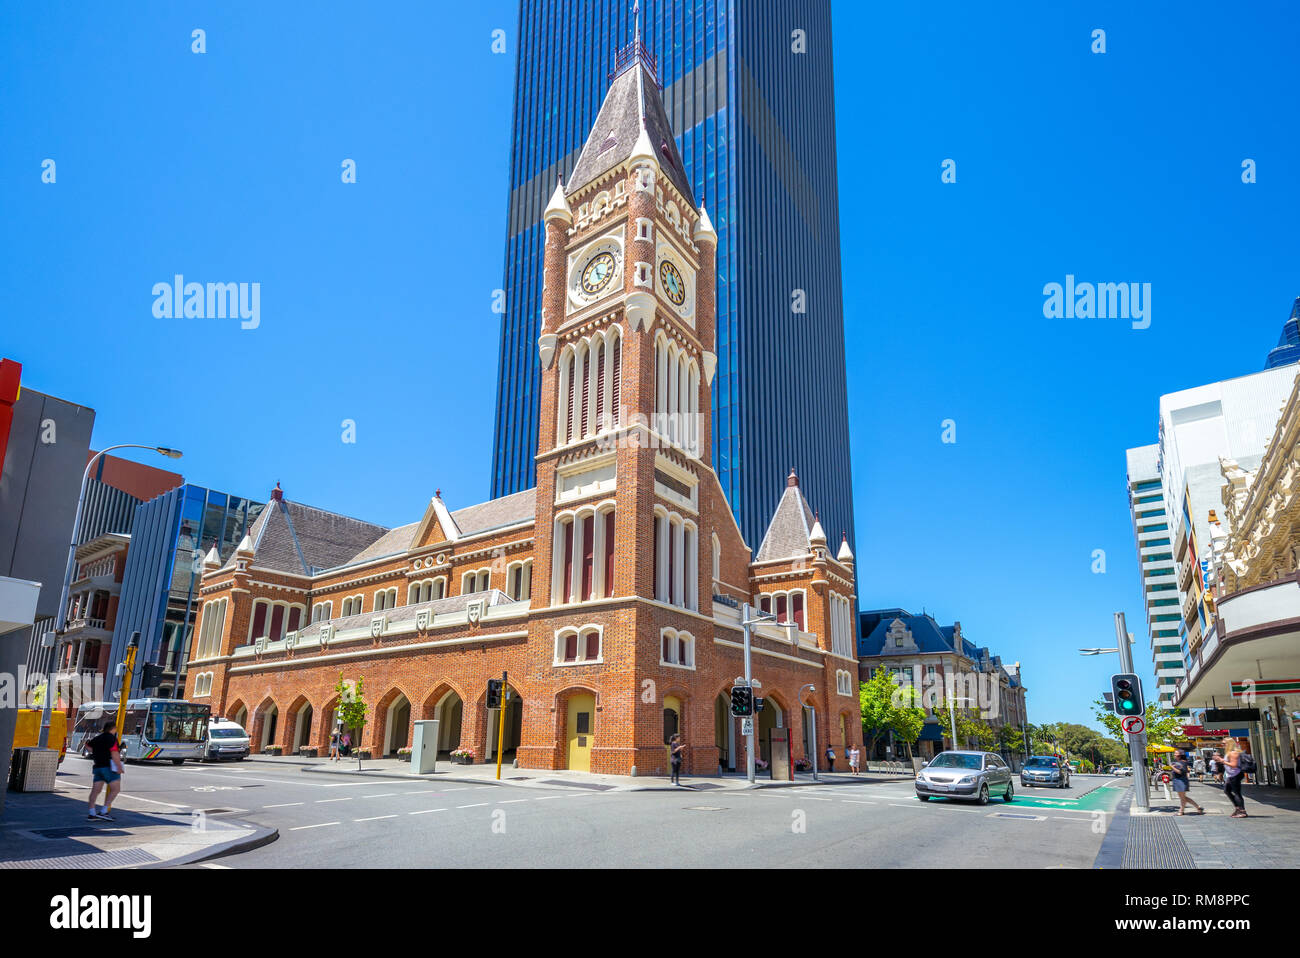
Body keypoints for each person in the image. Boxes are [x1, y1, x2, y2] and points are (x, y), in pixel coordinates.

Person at [86, 720, 123, 822]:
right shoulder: (112, 739)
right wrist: (119, 767)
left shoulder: (98, 737)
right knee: (115, 789)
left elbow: (88, 745)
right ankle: (104, 811)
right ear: (113, 728)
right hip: (109, 767)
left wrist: (96, 752)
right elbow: (114, 753)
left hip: (97, 767)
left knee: (95, 791)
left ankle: (91, 813)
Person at [1170, 750, 1203, 815]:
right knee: (1183, 797)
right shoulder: (1178, 762)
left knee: (1183, 798)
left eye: (1176, 754)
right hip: (1178, 781)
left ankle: (1182, 811)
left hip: (1181, 781)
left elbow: (1180, 772)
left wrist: (1172, 767)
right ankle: (1197, 807)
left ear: (1180, 755)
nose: (1174, 755)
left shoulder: (1182, 762)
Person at [1221, 738, 1247, 818]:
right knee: (1227, 790)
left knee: (1237, 793)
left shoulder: (1233, 753)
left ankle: (1242, 811)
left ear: (1229, 744)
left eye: (1224, 743)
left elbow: (1234, 765)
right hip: (1231, 775)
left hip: (1235, 774)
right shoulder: (1229, 753)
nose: (1222, 745)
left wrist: (1223, 761)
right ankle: (1238, 808)